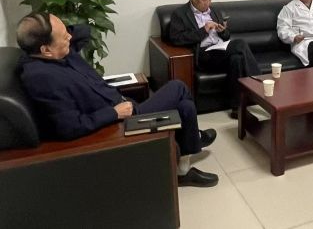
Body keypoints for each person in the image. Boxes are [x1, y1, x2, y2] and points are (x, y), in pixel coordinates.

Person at [16, 12, 218, 188]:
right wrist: (114, 113)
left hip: (122, 103)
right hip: (121, 123)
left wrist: (59, 29)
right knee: (178, 87)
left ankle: (184, 165)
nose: (69, 36)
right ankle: (192, 139)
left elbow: (84, 31)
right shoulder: (42, 78)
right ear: (45, 49)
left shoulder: (57, 53)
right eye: (63, 36)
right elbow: (70, 127)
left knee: (185, 106)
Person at [169, 0, 260, 119]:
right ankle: (258, 83)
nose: (208, 3)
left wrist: (223, 31)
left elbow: (227, 36)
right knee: (241, 44)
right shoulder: (180, 14)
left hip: (221, 49)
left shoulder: (214, 11)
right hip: (203, 54)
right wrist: (204, 30)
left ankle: (237, 109)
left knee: (237, 58)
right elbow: (177, 39)